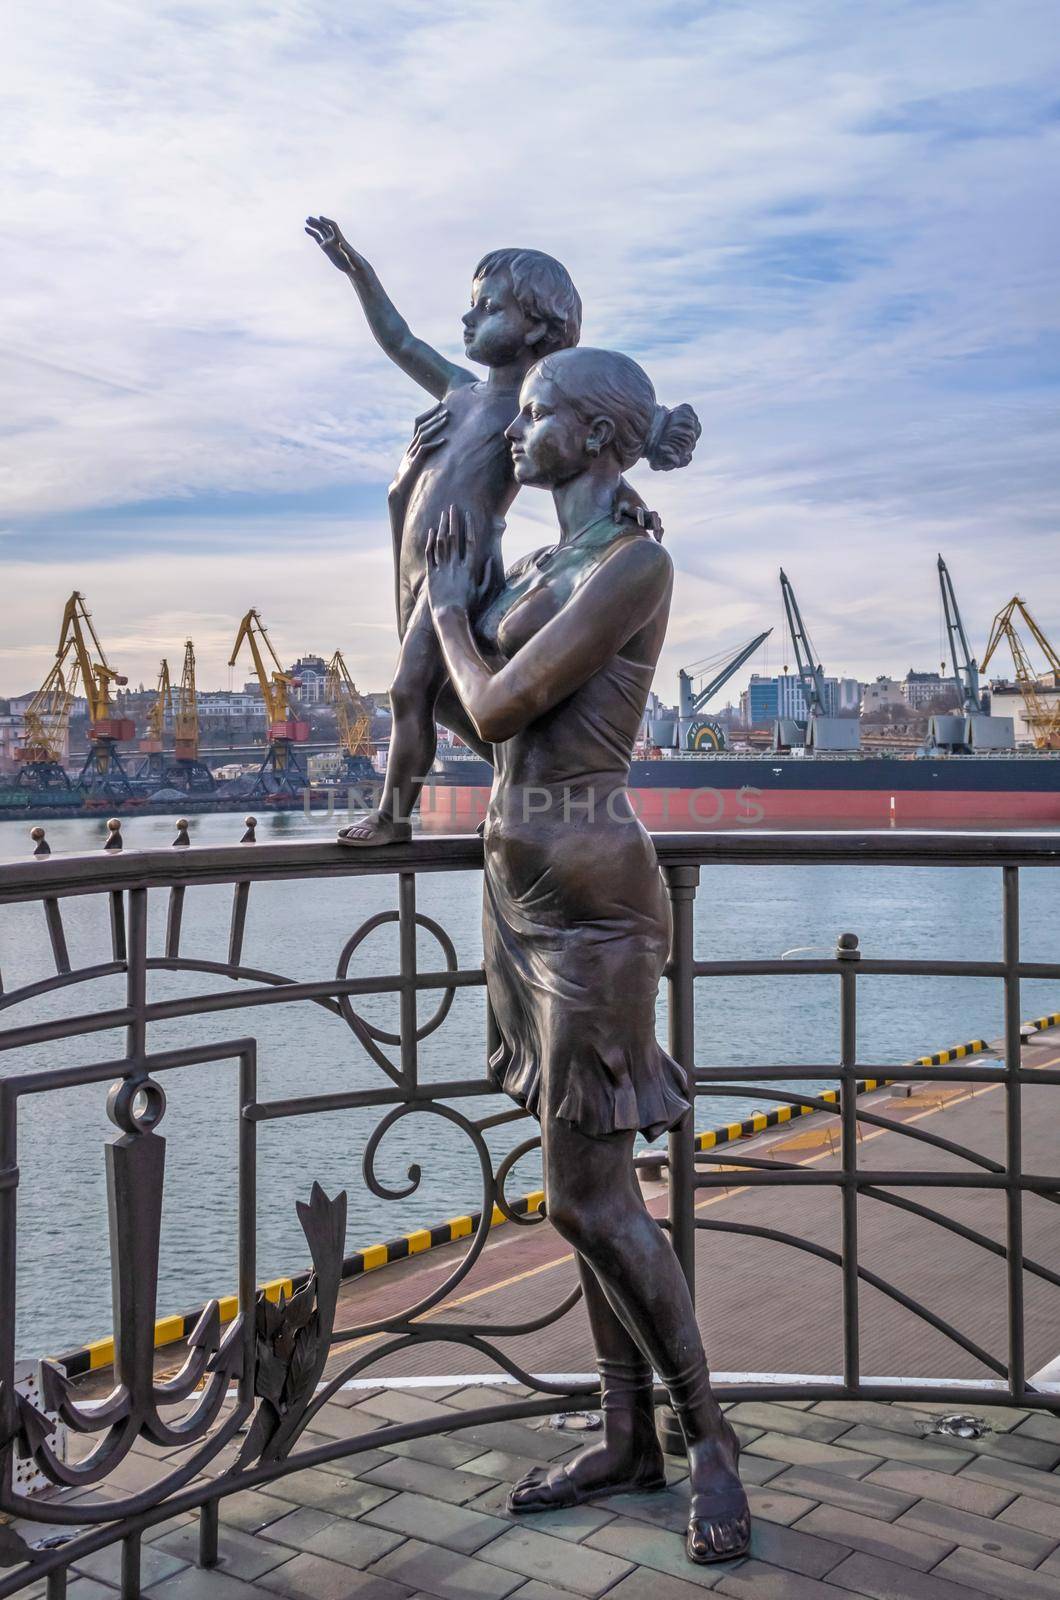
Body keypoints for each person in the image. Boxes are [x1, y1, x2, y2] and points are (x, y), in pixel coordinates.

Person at [422, 347, 750, 1566]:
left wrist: (454, 610)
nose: (521, 426)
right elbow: (464, 705)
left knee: (583, 1194)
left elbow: (499, 707)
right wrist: (443, 586)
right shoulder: (550, 562)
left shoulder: (631, 562)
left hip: (599, 904)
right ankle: (626, 1438)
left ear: (603, 435)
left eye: (545, 411)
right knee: (590, 1189)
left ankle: (706, 1436)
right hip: (519, 893)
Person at [304, 220, 582, 845]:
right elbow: (400, 340)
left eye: (489, 309)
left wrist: (634, 494)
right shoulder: (461, 392)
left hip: (456, 564)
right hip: (413, 566)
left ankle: (392, 818)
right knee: (448, 703)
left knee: (409, 690)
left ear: (537, 326)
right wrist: (359, 273)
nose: (468, 319)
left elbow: (599, 444)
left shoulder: (529, 409)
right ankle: (526, 786)